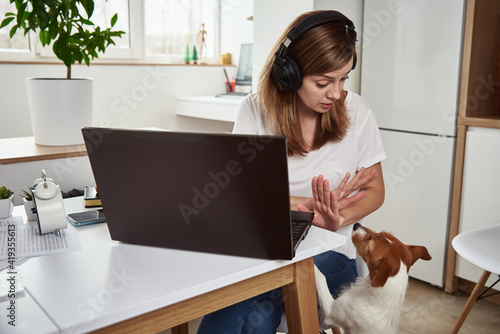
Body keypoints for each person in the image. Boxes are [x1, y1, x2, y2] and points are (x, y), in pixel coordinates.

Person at [196, 9, 386, 334]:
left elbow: (375, 191)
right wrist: (309, 206)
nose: (336, 93)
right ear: (290, 73)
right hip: (265, 250)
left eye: (343, 79)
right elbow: (242, 195)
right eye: (323, 82)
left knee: (251, 299)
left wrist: (336, 218)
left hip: (331, 251)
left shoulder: (358, 111)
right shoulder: (254, 110)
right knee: (250, 302)